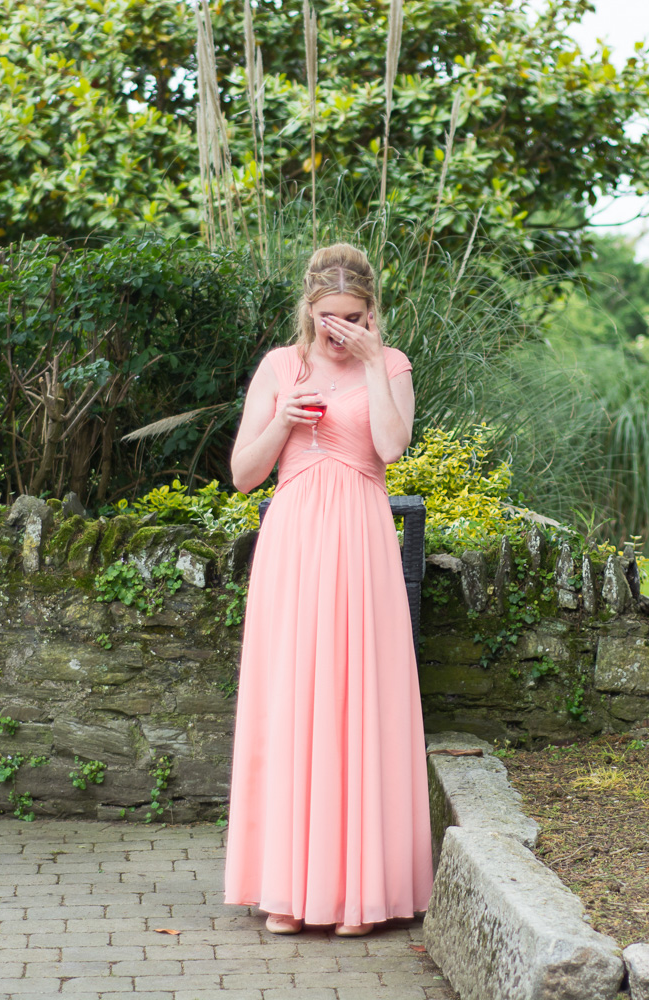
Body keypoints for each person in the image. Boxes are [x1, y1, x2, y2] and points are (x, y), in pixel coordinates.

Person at [222, 243, 432, 938]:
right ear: (306, 310)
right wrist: (284, 418)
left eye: (353, 316)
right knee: (291, 699)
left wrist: (373, 364)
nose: (338, 329)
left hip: (361, 536)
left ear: (372, 312)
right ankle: (285, 889)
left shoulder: (391, 364)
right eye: (327, 317)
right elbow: (244, 474)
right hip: (293, 540)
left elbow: (393, 446)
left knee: (356, 697)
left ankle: (357, 892)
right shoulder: (280, 366)